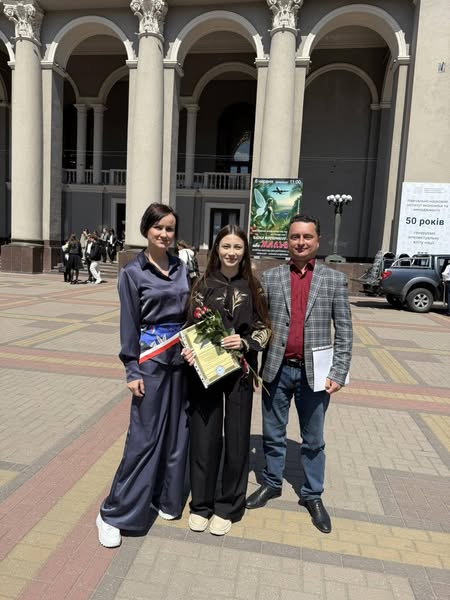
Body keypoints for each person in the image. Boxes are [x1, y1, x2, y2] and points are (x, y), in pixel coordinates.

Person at [245, 214, 352, 535]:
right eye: (295, 237)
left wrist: (339, 372)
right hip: (276, 370)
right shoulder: (271, 278)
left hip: (315, 374)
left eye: (307, 237)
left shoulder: (333, 280)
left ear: (318, 241)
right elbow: (258, 323)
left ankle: (312, 494)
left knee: (313, 440)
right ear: (287, 241)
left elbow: (344, 330)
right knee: (272, 433)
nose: (301, 242)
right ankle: (272, 482)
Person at [96, 203, 191, 548]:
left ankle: (164, 497)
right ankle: (112, 513)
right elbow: (129, 324)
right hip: (150, 364)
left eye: (170, 228)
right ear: (146, 229)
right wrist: (131, 368)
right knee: (144, 438)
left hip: (182, 362)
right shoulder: (132, 272)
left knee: (177, 434)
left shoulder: (181, 267)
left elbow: (190, 313)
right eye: (158, 227)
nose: (164, 234)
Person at [182, 225, 271, 536]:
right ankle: (201, 504)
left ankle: (228, 506)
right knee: (204, 438)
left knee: (236, 439)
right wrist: (188, 350)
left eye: (237, 247)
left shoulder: (254, 287)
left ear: (245, 251)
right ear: (216, 249)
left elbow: (265, 328)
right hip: (205, 373)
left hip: (240, 375)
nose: (231, 252)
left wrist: (245, 343)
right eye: (226, 246)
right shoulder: (201, 285)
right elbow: (188, 327)